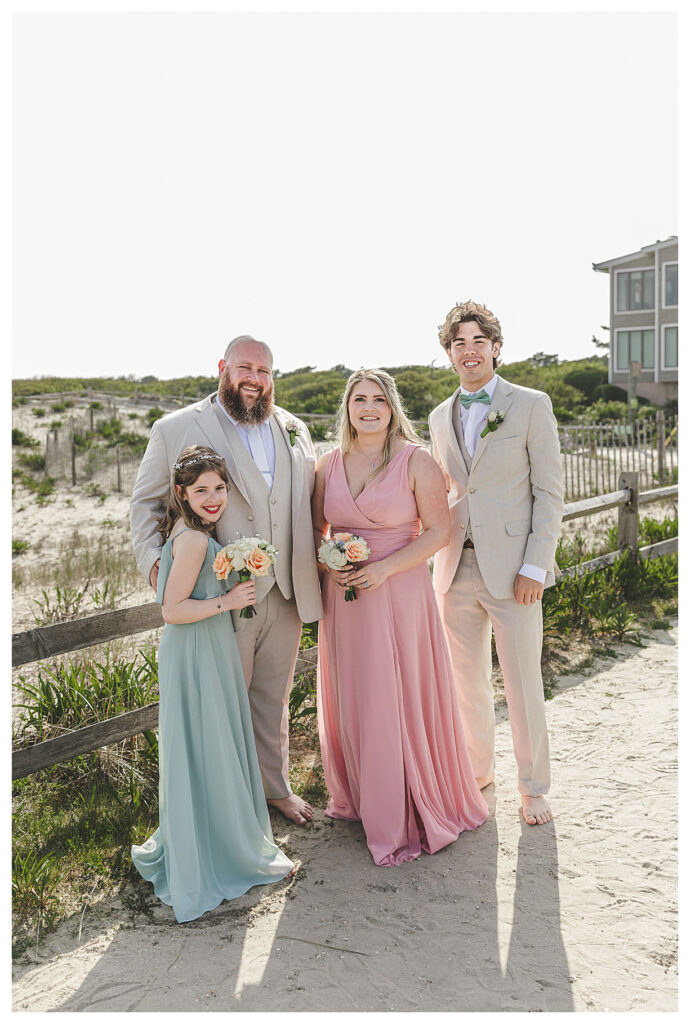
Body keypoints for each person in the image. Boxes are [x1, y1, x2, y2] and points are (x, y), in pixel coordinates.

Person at [130, 336, 323, 825]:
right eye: (245, 368)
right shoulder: (176, 427)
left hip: (286, 590)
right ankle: (228, 812)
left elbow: (304, 502)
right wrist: (156, 563)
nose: (254, 379)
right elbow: (146, 503)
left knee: (272, 699)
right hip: (219, 592)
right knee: (222, 703)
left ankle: (273, 789)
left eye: (263, 370)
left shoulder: (295, 428)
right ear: (223, 368)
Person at [312, 370, 488, 866]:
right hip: (346, 600)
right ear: (347, 407)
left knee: (397, 690)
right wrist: (333, 560)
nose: (369, 408)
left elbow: (438, 532)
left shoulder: (417, 460)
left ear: (392, 408)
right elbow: (316, 531)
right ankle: (363, 796)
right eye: (359, 399)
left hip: (400, 589)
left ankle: (409, 800)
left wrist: (384, 569)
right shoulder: (327, 465)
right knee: (360, 692)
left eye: (379, 400)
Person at [131, 446, 294, 922]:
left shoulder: (191, 533)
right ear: (181, 493)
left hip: (202, 650)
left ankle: (209, 840)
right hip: (198, 649)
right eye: (201, 490)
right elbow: (172, 611)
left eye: (219, 488)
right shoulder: (196, 542)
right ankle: (223, 853)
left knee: (203, 745)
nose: (214, 498)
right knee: (210, 743)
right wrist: (230, 600)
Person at [429, 300, 564, 826]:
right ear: (448, 353)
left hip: (514, 571)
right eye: (458, 342)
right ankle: (478, 772)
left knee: (523, 681)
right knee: (466, 680)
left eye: (478, 340)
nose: (469, 350)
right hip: (454, 567)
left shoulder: (530, 405)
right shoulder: (441, 417)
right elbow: (446, 491)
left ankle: (534, 788)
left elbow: (550, 494)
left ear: (496, 347)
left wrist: (537, 565)